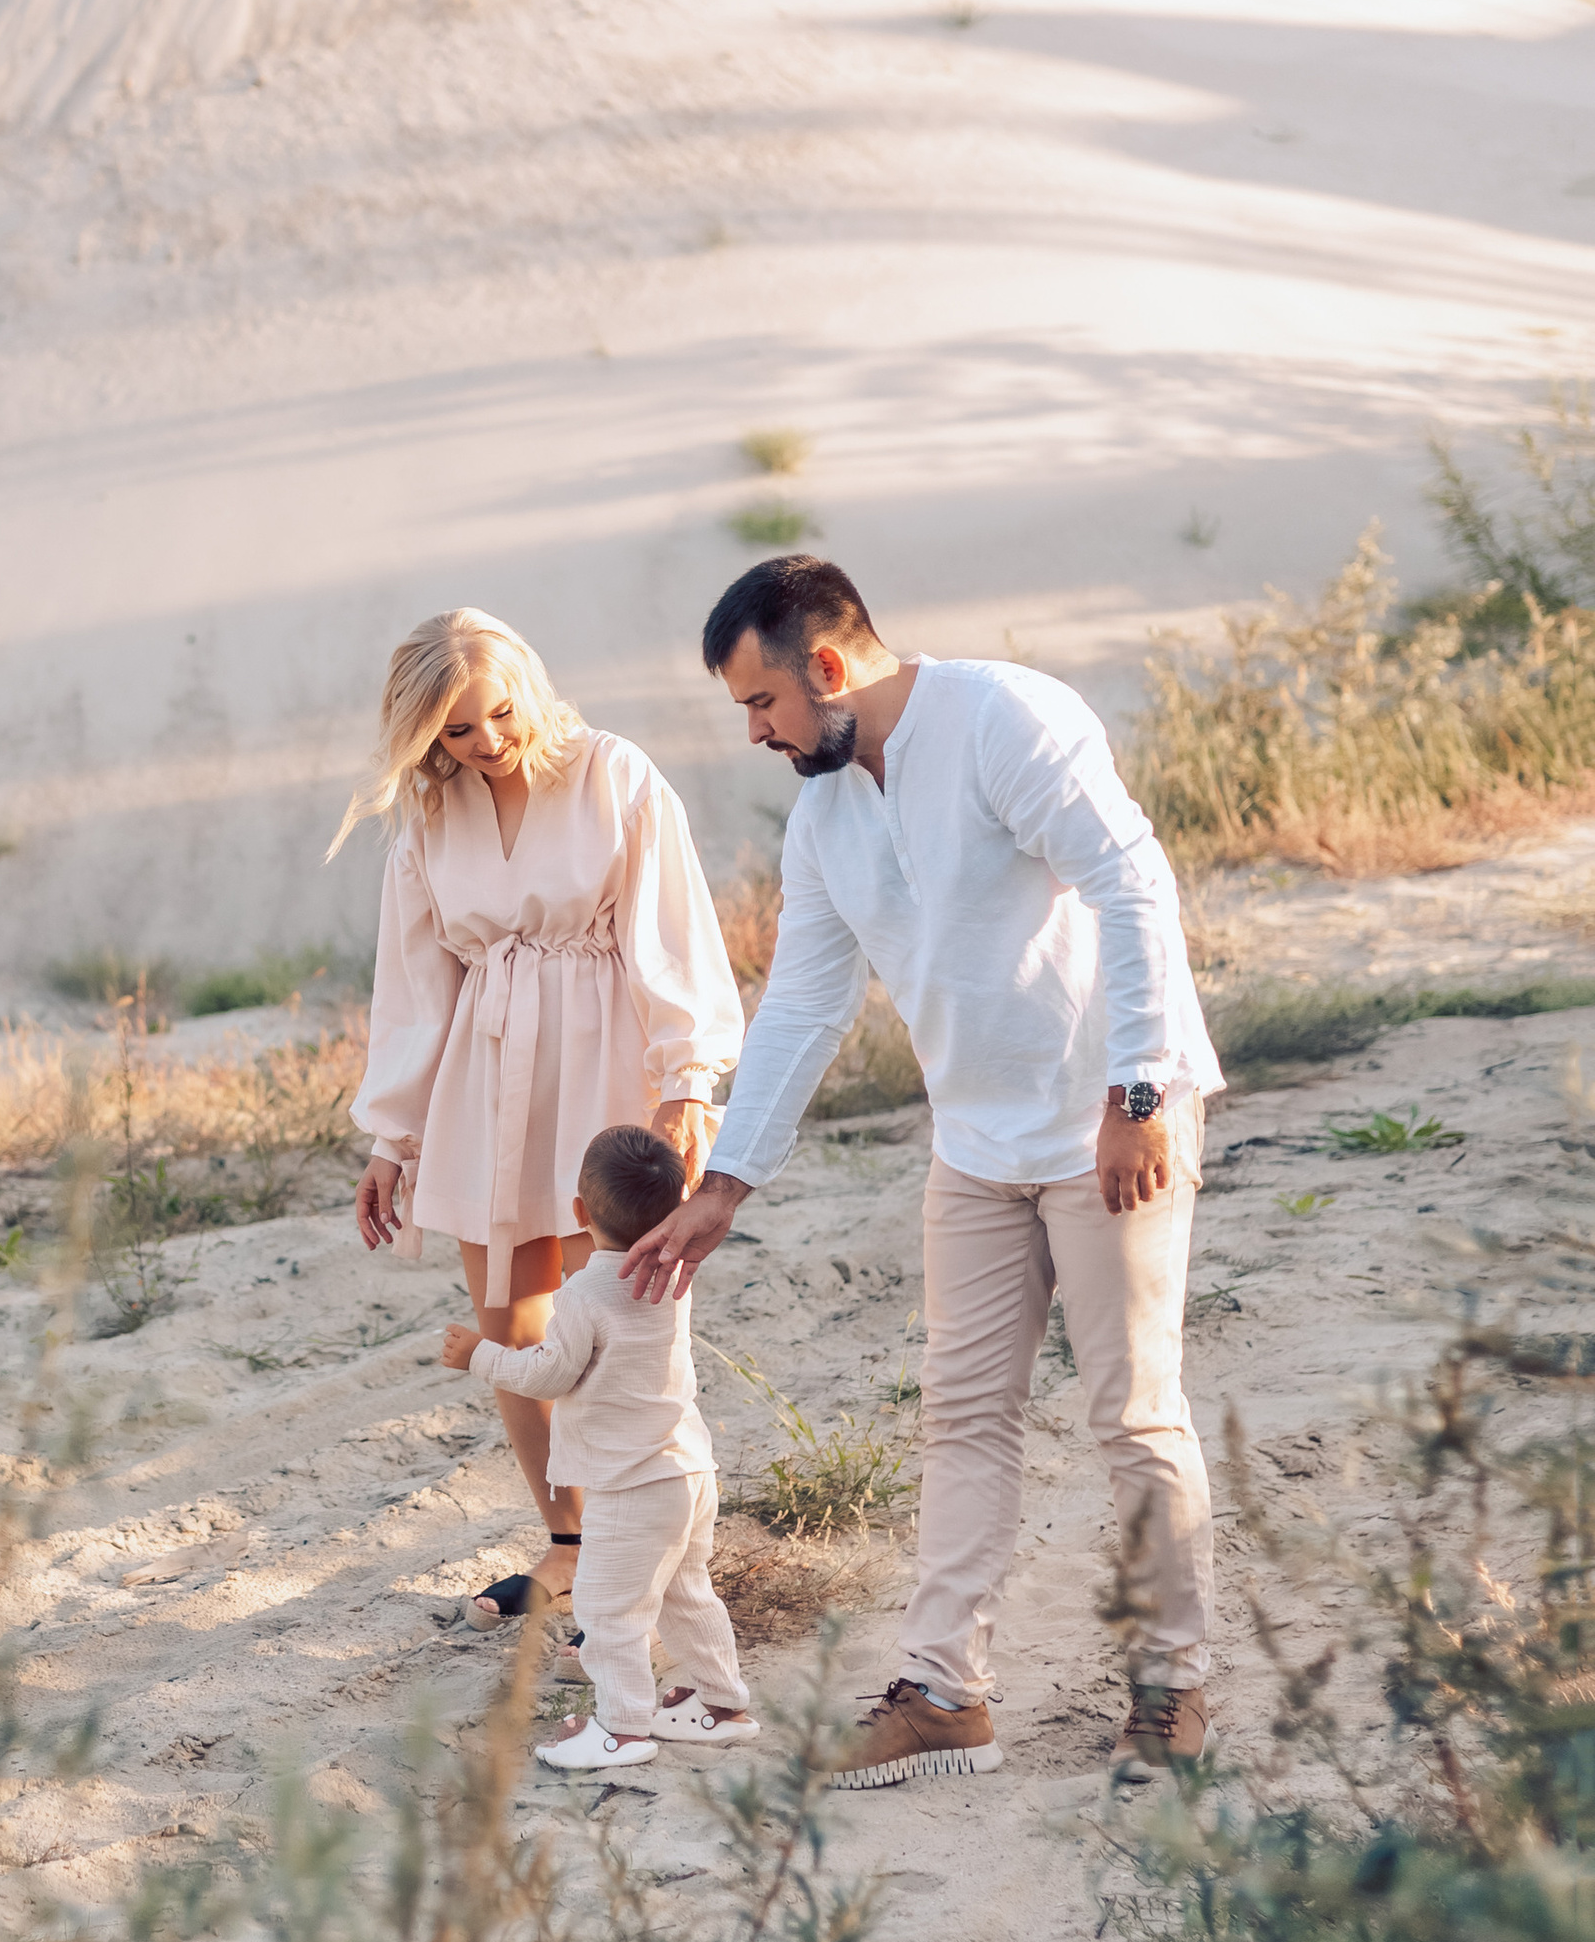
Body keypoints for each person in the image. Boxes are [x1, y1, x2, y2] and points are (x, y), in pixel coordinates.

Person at [621, 555, 1224, 1788]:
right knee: (959, 1413)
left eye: (761, 703)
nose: (755, 733)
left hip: (1107, 1120)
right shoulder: (825, 818)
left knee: (1130, 1412)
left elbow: (1130, 883)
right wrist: (724, 1183)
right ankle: (946, 1694)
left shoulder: (1005, 717)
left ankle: (1171, 1684)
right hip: (975, 1146)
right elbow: (803, 1004)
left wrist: (1138, 1091)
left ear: (825, 666)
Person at [337, 608, 744, 1628]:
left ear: (528, 687)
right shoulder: (429, 820)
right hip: (486, 1077)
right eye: (456, 730)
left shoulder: (613, 774)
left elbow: (672, 937)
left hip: (605, 1062)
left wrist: (687, 1082)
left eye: (500, 715)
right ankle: (569, 1542)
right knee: (510, 1324)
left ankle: (645, 1538)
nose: (486, 742)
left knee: (616, 1319)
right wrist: (393, 1139)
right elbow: (415, 989)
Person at [439, 1124, 759, 1770]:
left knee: (610, 1611)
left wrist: (481, 1356)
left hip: (630, 1484)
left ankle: (622, 1729)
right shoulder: (675, 1272)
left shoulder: (584, 1291)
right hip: (690, 1470)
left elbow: (549, 1375)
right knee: (688, 1594)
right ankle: (722, 1705)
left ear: (579, 1211)